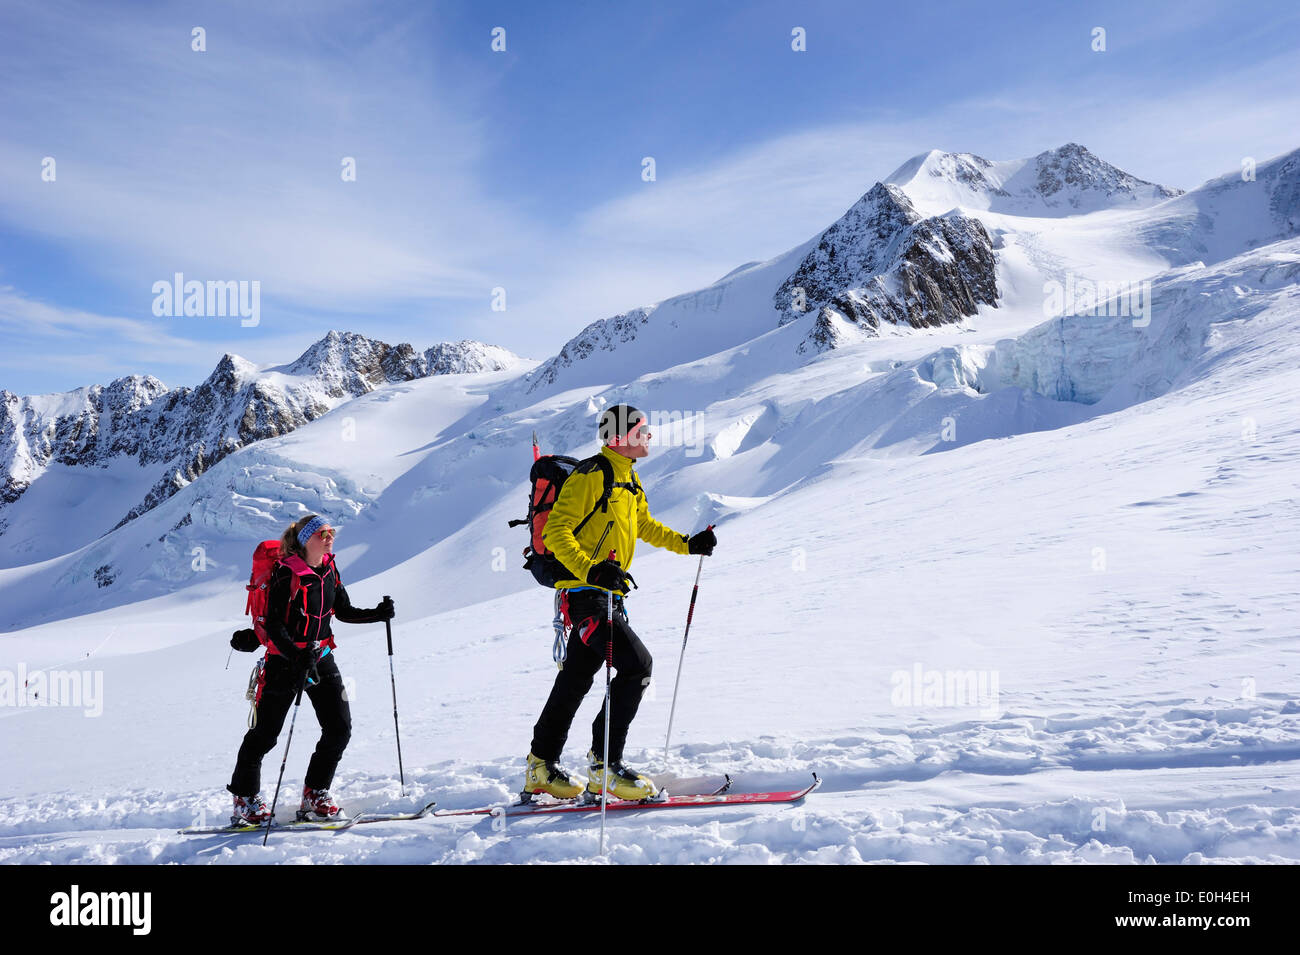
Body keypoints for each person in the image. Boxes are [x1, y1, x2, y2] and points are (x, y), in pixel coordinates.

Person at [525, 404, 717, 801]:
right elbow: (559, 530)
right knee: (637, 666)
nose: (649, 438)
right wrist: (591, 570)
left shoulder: (628, 479)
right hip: (585, 595)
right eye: (643, 431)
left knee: (576, 678)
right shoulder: (592, 475)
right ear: (622, 436)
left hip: (606, 594)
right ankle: (604, 766)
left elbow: (644, 526)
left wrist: (688, 544)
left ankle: (541, 766)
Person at [226, 514, 395, 824]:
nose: (329, 537)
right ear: (305, 540)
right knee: (264, 735)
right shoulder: (286, 573)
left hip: (320, 657)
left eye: (330, 532)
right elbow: (275, 624)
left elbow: (342, 611)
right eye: (322, 533)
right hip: (284, 662)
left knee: (339, 728)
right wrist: (295, 655)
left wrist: (378, 614)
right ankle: (244, 799)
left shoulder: (329, 567)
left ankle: (315, 795)